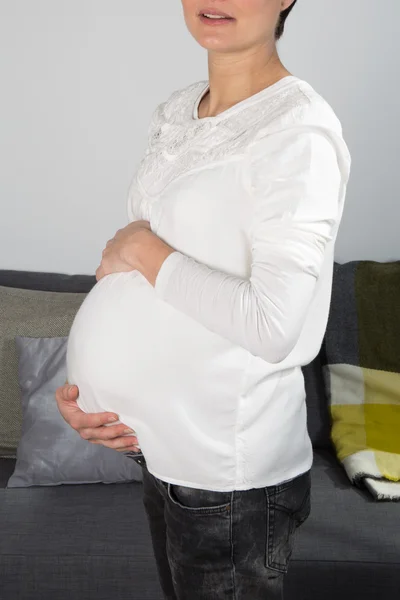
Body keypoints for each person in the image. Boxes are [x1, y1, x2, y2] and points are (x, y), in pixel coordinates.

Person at [56, 1, 351, 598]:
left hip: (228, 479)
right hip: (163, 452)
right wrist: (97, 395)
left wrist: (141, 250)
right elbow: (150, 277)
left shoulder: (299, 132)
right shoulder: (177, 109)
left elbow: (272, 324)